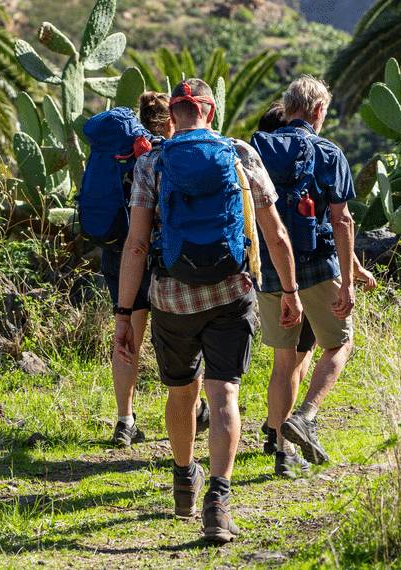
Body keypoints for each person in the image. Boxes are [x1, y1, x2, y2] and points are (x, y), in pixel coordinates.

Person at [114, 78, 302, 543]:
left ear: (173, 113)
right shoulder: (240, 154)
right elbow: (275, 233)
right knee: (224, 396)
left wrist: (123, 313)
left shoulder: (152, 162)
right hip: (231, 291)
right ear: (210, 111)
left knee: (181, 394)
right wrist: (291, 290)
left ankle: (183, 481)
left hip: (172, 297)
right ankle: (218, 502)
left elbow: (137, 245)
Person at [254, 101, 377, 460]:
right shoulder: (328, 151)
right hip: (315, 266)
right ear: (320, 109)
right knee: (340, 343)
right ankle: (306, 417)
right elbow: (340, 222)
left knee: (284, 362)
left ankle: (281, 449)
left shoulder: (258, 149)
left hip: (270, 265)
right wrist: (349, 279)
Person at [105, 91, 208, 447]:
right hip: (158, 256)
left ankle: (124, 421)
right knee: (177, 336)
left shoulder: (117, 149)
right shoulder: (165, 155)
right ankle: (190, 409)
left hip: (117, 253)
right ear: (170, 119)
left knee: (127, 334)